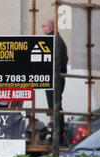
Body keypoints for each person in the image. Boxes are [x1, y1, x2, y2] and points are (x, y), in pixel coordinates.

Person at [42, 18, 68, 146]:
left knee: (55, 107)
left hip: (53, 78)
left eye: (44, 26)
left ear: (50, 27)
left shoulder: (52, 40)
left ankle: (57, 137)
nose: (43, 29)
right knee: (56, 106)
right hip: (57, 77)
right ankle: (57, 135)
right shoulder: (58, 39)